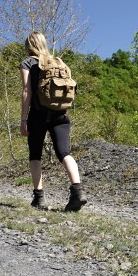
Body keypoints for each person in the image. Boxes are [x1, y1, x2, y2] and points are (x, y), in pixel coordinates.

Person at [20, 31, 87, 211]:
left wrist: (23, 119)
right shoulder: (58, 62)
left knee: (35, 155)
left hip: (38, 114)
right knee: (65, 153)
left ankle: (39, 198)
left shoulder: (28, 63)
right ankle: (78, 192)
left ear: (29, 46)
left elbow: (27, 92)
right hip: (60, 113)